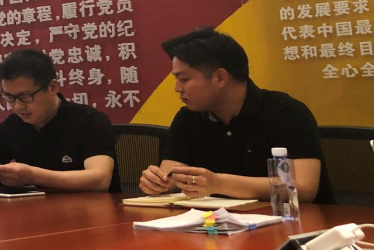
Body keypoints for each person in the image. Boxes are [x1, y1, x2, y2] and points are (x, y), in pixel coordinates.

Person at [138, 26, 334, 203]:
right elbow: (171, 174)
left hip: (296, 223)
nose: (177, 88)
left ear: (220, 77)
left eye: (184, 79)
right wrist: (159, 183)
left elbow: (304, 188)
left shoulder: (286, 113)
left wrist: (219, 183)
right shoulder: (187, 118)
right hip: (214, 225)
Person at [0, 49, 118, 191]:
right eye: (9, 97)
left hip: (92, 215)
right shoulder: (13, 125)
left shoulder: (90, 121)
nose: (18, 106)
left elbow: (100, 180)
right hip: (34, 212)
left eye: (25, 96)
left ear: (52, 87)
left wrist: (33, 176)